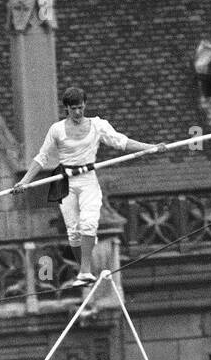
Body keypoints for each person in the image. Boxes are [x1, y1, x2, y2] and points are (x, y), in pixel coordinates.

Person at [11, 86, 166, 286]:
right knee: (73, 229)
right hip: (65, 181)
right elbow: (42, 157)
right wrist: (25, 182)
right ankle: (82, 272)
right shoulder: (57, 130)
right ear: (66, 108)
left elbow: (121, 142)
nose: (78, 112)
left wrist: (151, 148)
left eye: (81, 108)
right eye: (74, 108)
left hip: (87, 179)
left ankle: (85, 271)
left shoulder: (97, 125)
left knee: (89, 223)